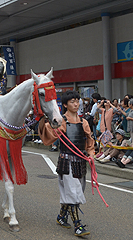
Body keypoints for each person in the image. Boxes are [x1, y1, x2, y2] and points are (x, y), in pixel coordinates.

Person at [39, 90, 94, 237]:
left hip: (81, 162)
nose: (76, 104)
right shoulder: (61, 121)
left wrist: (91, 154)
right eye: (72, 102)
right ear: (65, 104)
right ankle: (78, 226)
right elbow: (49, 135)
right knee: (72, 193)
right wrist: (43, 121)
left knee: (77, 191)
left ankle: (62, 216)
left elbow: (89, 141)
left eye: (77, 101)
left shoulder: (84, 122)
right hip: (67, 161)